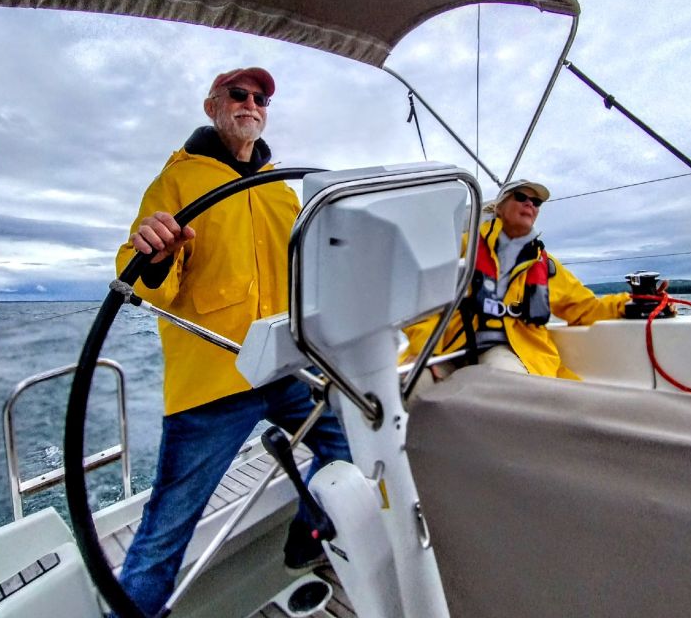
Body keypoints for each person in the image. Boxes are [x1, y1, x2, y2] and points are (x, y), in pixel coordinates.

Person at [113, 67, 351, 617]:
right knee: (168, 525)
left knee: (350, 446)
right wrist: (154, 249)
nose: (252, 103)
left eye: (262, 98)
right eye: (239, 95)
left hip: (285, 366)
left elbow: (305, 269)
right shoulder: (174, 182)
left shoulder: (280, 189)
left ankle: (305, 539)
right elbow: (146, 277)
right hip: (212, 381)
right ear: (211, 106)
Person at [401, 178, 631, 381]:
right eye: (521, 197)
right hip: (447, 345)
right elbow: (420, 300)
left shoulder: (544, 264)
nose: (530, 203)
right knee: (410, 384)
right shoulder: (463, 246)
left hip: (510, 349)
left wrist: (630, 303)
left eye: (536, 202)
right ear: (499, 208)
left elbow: (585, 309)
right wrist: (424, 347)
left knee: (506, 385)